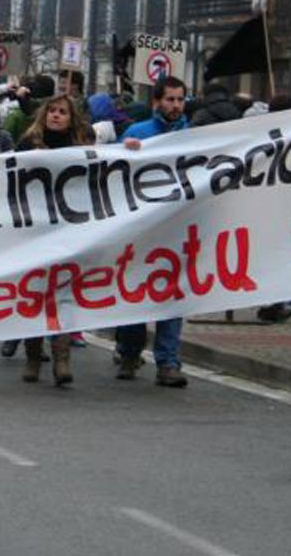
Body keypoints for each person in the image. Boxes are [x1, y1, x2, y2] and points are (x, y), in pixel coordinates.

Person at [11, 94, 95, 385]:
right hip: (33, 230)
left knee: (61, 291)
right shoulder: (27, 145)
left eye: (63, 112)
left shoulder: (81, 148)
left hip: (65, 229)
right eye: (52, 111)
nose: (56, 116)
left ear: (71, 118)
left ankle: (61, 358)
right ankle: (33, 357)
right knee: (35, 291)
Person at [115, 76, 190, 387]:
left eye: (179, 100)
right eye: (169, 99)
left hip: (178, 228)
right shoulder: (138, 133)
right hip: (142, 230)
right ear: (157, 101)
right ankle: (129, 352)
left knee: (172, 295)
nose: (174, 105)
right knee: (136, 294)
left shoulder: (195, 135)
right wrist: (125, 150)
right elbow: (113, 172)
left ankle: (168, 362)